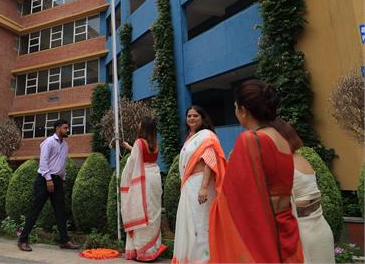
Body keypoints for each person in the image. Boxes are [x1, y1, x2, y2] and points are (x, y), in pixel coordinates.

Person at [209, 79, 304, 263]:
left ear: (243, 110)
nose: (236, 111)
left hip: (263, 231)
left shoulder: (250, 140)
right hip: (286, 227)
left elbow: (233, 196)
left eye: (236, 107)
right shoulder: (282, 140)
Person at [273, 119, 335, 263]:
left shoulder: (284, 165)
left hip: (303, 233)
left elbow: (274, 205)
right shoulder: (301, 159)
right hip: (320, 228)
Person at [172, 106, 227, 264]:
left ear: (203, 118)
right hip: (189, 185)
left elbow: (210, 161)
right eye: (189, 115)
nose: (191, 118)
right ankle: (190, 259)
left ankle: (204, 259)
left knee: (201, 223)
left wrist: (203, 187)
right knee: (189, 225)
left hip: (200, 184)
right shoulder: (191, 137)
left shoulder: (207, 136)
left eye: (195, 115)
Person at [17, 119, 80, 251]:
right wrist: (48, 179)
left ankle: (64, 241)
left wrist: (62, 179)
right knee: (35, 211)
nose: (67, 130)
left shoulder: (65, 145)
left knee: (60, 212)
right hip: (44, 180)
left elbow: (62, 164)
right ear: (57, 128)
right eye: (65, 128)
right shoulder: (49, 142)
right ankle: (22, 240)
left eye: (67, 128)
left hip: (57, 181)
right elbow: (43, 161)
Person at [120, 117, 167, 261]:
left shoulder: (140, 142)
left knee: (140, 210)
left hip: (143, 178)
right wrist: (129, 147)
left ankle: (141, 251)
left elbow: (133, 161)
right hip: (155, 177)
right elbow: (141, 154)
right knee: (152, 211)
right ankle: (151, 249)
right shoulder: (155, 143)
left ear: (143, 128)